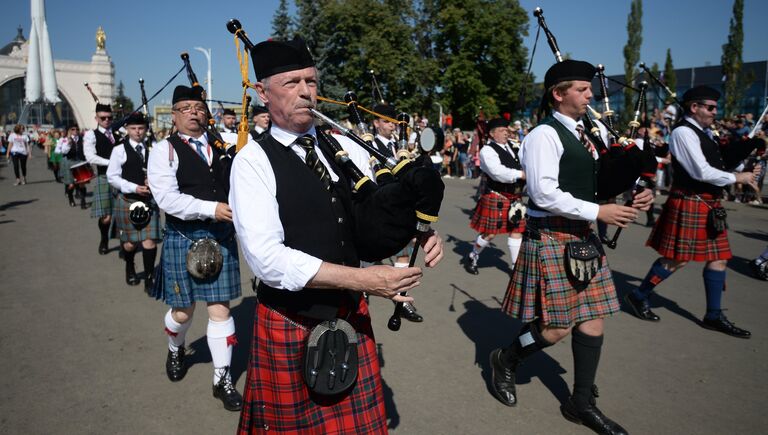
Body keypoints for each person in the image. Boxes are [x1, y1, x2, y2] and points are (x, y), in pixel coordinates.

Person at [230, 36, 443, 433]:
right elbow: (267, 260)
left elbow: (364, 223)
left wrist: (415, 231)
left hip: (349, 317)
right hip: (292, 321)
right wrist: (364, 280)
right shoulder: (252, 162)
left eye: (311, 81)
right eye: (291, 83)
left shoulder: (340, 149)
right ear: (262, 92)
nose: (306, 91)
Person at [491, 60, 653, 435]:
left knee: (593, 318)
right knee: (555, 329)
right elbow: (543, 193)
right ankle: (506, 358)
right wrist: (600, 210)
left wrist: (633, 194)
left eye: (589, 88)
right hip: (552, 235)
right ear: (558, 94)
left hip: (584, 235)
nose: (590, 95)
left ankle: (581, 402)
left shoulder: (591, 130)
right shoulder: (542, 136)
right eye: (582, 89)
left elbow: (599, 178)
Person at [626, 86, 760, 338]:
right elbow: (700, 171)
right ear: (694, 107)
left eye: (715, 107)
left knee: (720, 258)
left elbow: (717, 163)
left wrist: (747, 156)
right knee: (677, 259)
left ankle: (713, 315)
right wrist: (736, 176)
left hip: (709, 203)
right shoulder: (683, 133)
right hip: (691, 200)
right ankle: (638, 295)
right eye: (710, 107)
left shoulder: (705, 133)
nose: (714, 111)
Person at [147, 85, 244, 411]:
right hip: (184, 236)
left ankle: (222, 377)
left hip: (222, 237)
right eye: (186, 108)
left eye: (199, 108)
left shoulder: (225, 144)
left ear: (207, 113)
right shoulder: (165, 150)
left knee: (220, 309)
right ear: (174, 115)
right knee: (183, 311)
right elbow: (166, 199)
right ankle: (176, 346)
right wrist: (212, 208)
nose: (193, 113)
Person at [371, 103, 423, 322]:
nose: (392, 126)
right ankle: (362, 294)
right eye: (386, 121)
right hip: (376, 206)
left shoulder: (398, 145)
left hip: (400, 207)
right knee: (369, 255)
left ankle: (401, 297)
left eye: (393, 122)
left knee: (403, 253)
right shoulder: (369, 144)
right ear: (375, 123)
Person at [463, 118, 526, 275]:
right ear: (492, 134)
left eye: (506, 129)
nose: (506, 131)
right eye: (501, 130)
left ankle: (515, 266)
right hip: (497, 196)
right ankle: (473, 255)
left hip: (515, 197)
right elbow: (498, 173)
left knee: (516, 230)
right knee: (489, 234)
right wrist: (521, 174)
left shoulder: (514, 147)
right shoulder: (487, 151)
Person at [107, 112, 160, 291]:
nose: (137, 132)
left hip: (148, 201)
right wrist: (134, 187)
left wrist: (154, 182)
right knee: (130, 244)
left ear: (146, 129)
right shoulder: (119, 150)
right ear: (127, 130)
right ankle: (129, 267)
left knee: (149, 242)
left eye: (141, 128)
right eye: (133, 128)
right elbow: (112, 177)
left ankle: (149, 277)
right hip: (128, 200)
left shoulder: (154, 148)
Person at [84, 103, 117, 254]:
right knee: (106, 217)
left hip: (123, 178)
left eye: (109, 118)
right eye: (103, 118)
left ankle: (126, 242)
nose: (106, 120)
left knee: (124, 214)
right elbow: (90, 157)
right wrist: (111, 162)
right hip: (104, 177)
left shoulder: (118, 132)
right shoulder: (91, 134)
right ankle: (104, 239)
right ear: (96, 118)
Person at [56, 124, 88, 208]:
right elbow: (63, 151)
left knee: (82, 183)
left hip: (80, 161)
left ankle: (83, 201)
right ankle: (71, 198)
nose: (75, 131)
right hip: (69, 162)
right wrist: (69, 144)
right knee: (71, 185)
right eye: (73, 129)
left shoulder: (82, 138)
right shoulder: (65, 140)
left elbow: (86, 150)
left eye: (77, 129)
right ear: (70, 130)